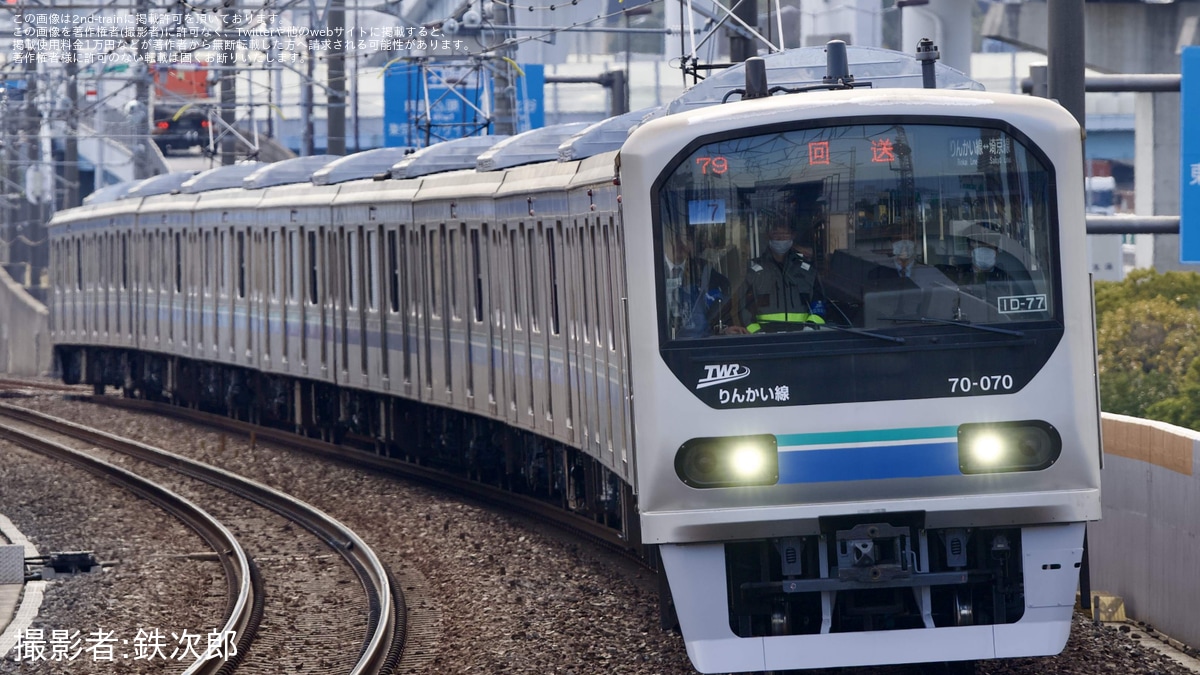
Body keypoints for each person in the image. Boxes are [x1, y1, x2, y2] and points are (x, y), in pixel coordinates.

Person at [726, 221, 825, 334]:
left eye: (785, 233)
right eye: (776, 233)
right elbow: (743, 308)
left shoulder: (807, 272)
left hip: (802, 340)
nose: (780, 237)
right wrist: (756, 333)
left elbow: (819, 303)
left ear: (793, 235)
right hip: (765, 343)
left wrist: (811, 328)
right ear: (768, 236)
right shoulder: (754, 273)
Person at [663, 231, 733, 338]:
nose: (679, 244)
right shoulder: (649, 269)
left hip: (697, 344)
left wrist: (724, 329)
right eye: (673, 238)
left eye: (685, 238)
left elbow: (720, 312)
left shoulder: (705, 271)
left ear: (693, 243)